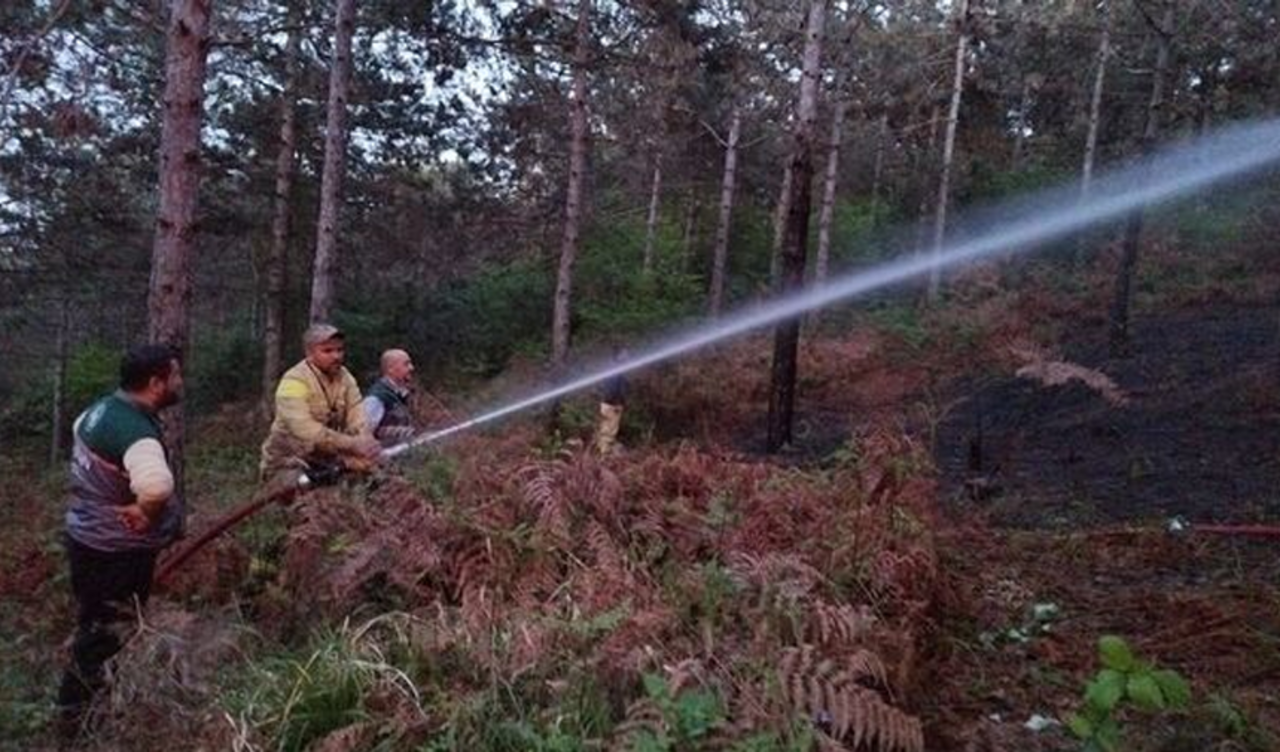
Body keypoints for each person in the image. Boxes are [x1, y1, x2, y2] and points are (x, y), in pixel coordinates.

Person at [56, 343, 185, 729]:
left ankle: (88, 709)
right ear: (155, 382)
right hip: (116, 553)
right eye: (175, 375)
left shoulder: (100, 410)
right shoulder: (135, 433)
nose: (181, 382)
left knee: (96, 626)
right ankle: (78, 723)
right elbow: (157, 485)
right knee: (104, 636)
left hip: (87, 539)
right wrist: (146, 512)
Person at [259, 324, 380, 482]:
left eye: (339, 350)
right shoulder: (293, 382)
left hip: (330, 458)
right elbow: (305, 430)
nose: (336, 356)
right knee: (302, 491)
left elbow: (357, 414)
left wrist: (365, 440)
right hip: (289, 462)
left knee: (377, 477)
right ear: (309, 353)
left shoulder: (346, 378)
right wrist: (352, 444)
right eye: (327, 351)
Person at [363, 348, 417, 446]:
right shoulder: (376, 398)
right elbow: (363, 433)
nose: (411, 368)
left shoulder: (400, 393)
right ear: (390, 369)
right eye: (406, 364)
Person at [594, 348, 628, 454]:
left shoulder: (614, 367)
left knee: (606, 431)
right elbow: (612, 389)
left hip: (608, 404)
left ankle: (602, 453)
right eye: (625, 354)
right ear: (618, 356)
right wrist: (616, 404)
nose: (627, 356)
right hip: (611, 405)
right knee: (609, 432)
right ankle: (603, 456)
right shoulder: (615, 369)